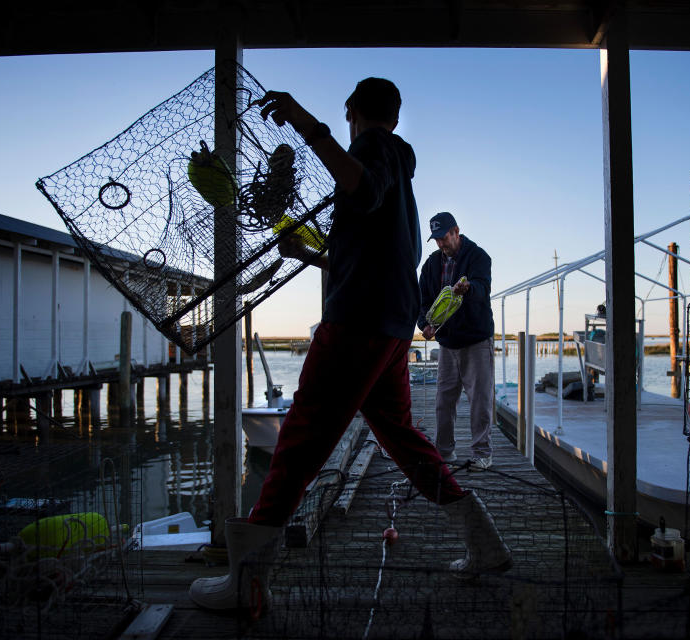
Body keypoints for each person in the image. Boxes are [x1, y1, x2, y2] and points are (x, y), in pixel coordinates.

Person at [189, 78, 511, 615]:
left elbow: (358, 187)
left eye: (342, 119)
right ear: (396, 113)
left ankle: (246, 582)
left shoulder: (373, 147)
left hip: (357, 324)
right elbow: (373, 255)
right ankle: (485, 541)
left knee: (298, 442)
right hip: (388, 329)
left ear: (351, 113)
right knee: (403, 439)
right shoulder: (400, 178)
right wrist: (308, 256)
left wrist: (300, 120)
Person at [418, 212, 496, 471]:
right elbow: (423, 303)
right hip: (447, 344)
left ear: (456, 231)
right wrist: (424, 325)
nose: (441, 243)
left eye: (444, 237)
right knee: (443, 402)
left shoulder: (479, 256)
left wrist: (469, 289)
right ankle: (444, 452)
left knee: (480, 401)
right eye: (437, 239)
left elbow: (482, 287)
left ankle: (482, 454)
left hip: (476, 341)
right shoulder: (430, 266)